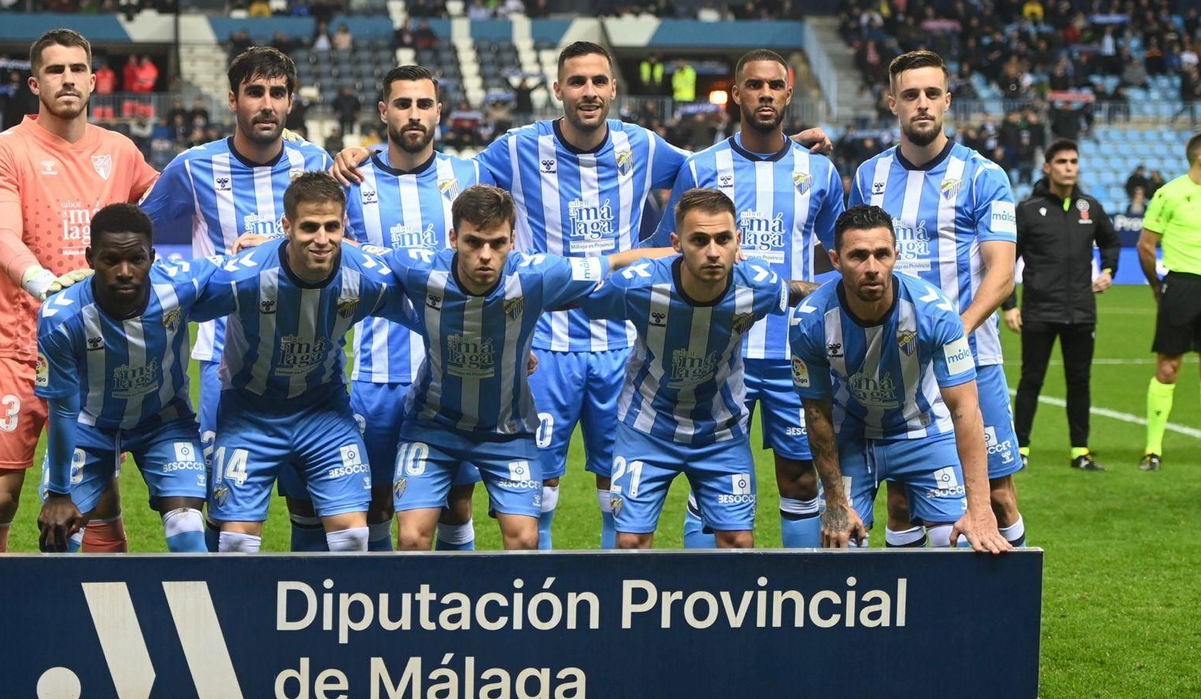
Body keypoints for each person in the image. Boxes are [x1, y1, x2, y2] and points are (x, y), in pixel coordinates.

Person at [333, 41, 830, 549]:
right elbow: (439, 173)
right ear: (558, 90)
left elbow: (713, 168)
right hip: (546, 345)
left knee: (618, 489)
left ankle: (610, 606)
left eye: (598, 82)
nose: (588, 92)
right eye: (577, 82)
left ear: (613, 89)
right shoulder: (515, 148)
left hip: (623, 345)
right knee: (542, 491)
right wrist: (363, 154)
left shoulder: (644, 145)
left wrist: (781, 150)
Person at [0, 28, 159, 554]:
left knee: (98, 496)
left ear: (94, 82)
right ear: (35, 83)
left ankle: (98, 626)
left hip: (96, 352)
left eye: (77, 70)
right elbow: (1, 235)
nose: (67, 79)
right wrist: (47, 285)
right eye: (55, 70)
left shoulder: (120, 153)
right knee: (1, 494)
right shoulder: (3, 150)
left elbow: (179, 201)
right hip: (17, 346)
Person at [139, 45, 333, 551]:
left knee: (306, 502)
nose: (266, 104)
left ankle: (304, 616)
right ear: (233, 99)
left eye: (277, 93)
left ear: (290, 103)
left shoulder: (316, 163)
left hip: (307, 362)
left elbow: (344, 246)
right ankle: (222, 613)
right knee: (222, 500)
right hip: (223, 364)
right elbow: (137, 234)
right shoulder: (193, 167)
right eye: (255, 92)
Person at [648, 48, 843, 549]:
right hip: (719, 349)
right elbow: (670, 255)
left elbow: (839, 253)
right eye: (754, 85)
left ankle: (801, 598)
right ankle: (705, 602)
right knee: (711, 478)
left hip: (792, 351)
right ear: (736, 93)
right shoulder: (702, 168)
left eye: (774, 86)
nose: (765, 94)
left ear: (788, 93)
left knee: (800, 477)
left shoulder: (818, 173)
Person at [385, 185, 651, 551]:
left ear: (513, 240)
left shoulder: (535, 274)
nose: (485, 255)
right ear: (452, 238)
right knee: (413, 537)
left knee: (526, 540)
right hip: (432, 425)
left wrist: (685, 253)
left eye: (496, 244)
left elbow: (617, 261)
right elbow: (352, 255)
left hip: (508, 431)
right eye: (473, 242)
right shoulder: (417, 268)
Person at [853, 49, 1026, 550]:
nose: (922, 104)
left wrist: (957, 329)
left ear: (948, 101)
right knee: (902, 497)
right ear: (893, 104)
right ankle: (903, 618)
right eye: (910, 95)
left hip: (973, 355)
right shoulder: (870, 178)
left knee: (996, 494)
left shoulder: (983, 175)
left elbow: (1001, 274)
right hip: (893, 363)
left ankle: (1001, 609)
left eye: (932, 94)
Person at [202, 172, 416, 553]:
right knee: (235, 544)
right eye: (309, 227)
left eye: (331, 226)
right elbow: (171, 303)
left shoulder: (365, 276)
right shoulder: (247, 275)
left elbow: (431, 315)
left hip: (324, 411)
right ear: (286, 226)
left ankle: (340, 612)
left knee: (352, 537)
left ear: (344, 224)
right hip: (250, 413)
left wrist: (502, 347)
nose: (322, 239)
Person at [584, 189, 810, 548]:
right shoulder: (637, 285)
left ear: (738, 242)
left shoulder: (758, 285)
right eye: (699, 240)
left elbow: (796, 292)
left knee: (738, 541)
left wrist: (853, 289)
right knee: (630, 542)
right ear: (677, 243)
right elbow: (579, 300)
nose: (713, 251)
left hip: (721, 431)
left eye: (723, 239)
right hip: (646, 427)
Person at [791, 205, 1009, 553]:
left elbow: (966, 409)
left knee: (958, 541)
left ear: (897, 255)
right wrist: (834, 503)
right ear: (835, 259)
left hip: (924, 431)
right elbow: (816, 413)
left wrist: (980, 509)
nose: (872, 268)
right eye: (858, 256)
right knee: (840, 543)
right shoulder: (810, 321)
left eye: (882, 254)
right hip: (853, 436)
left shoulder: (935, 314)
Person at [345, 65, 483, 551]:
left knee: (457, 503)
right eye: (403, 104)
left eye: (424, 104)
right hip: (376, 371)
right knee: (378, 503)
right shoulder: (352, 178)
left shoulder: (467, 175)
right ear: (384, 112)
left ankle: (455, 612)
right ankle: (382, 613)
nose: (414, 114)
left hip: (453, 374)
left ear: (439, 112)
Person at [33, 204, 213, 554]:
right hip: (89, 426)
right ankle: (65, 609)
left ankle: (197, 609)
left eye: (137, 259)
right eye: (110, 260)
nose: (125, 271)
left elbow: (244, 277)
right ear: (89, 258)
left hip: (164, 421)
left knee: (188, 526)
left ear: (153, 257)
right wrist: (57, 493)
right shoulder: (61, 317)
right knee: (59, 534)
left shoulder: (181, 285)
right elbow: (63, 412)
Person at [1003, 140, 1120, 471]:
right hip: (1039, 311)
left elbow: (1111, 242)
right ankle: (1020, 448)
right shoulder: (1028, 209)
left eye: (1073, 161)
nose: (1069, 167)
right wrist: (1010, 304)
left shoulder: (1091, 208)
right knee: (1031, 380)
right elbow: (1008, 259)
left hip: (1081, 311)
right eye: (1062, 162)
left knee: (1079, 381)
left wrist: (1109, 270)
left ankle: (1080, 450)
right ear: (1048, 167)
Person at [1137, 132, 1201, 471]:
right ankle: (1153, 450)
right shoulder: (1169, 194)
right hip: (1178, 285)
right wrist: (1157, 285)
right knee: (1167, 368)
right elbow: (1146, 245)